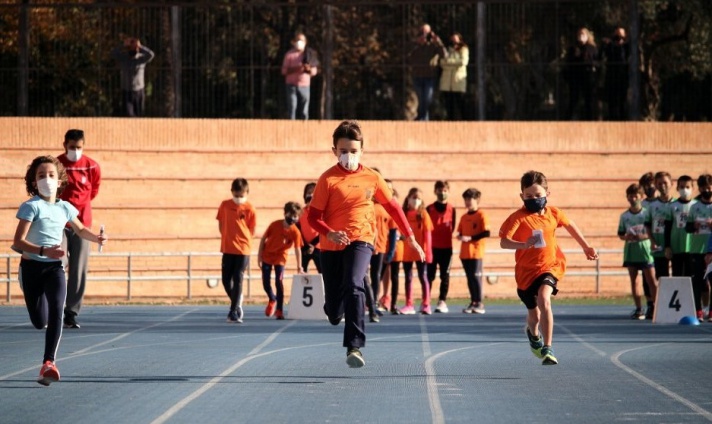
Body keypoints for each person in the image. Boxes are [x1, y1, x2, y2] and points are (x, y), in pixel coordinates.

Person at [307, 120, 425, 368]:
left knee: (354, 284)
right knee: (333, 312)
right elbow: (313, 218)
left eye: (353, 151)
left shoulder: (372, 177)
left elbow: (393, 207)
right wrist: (329, 234)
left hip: (361, 240)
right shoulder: (327, 180)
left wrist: (410, 237)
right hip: (331, 247)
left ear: (362, 151)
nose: (348, 156)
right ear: (334, 151)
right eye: (343, 151)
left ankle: (355, 346)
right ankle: (334, 309)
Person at [14, 155, 107, 385]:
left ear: (60, 180)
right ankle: (41, 324)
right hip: (31, 268)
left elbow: (81, 229)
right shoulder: (31, 206)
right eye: (41, 175)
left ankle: (48, 363)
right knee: (39, 320)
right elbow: (18, 242)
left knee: (57, 308)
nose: (46, 179)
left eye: (51, 175)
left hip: (55, 269)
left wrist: (97, 238)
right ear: (34, 182)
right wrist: (44, 251)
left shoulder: (65, 207)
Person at [499, 171, 598, 365]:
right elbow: (504, 242)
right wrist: (523, 245)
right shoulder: (518, 217)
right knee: (534, 315)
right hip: (526, 272)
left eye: (538, 195)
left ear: (547, 194)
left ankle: (548, 347)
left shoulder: (554, 213)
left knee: (545, 298)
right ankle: (533, 334)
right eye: (529, 196)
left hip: (550, 266)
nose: (534, 199)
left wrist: (586, 246)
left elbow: (571, 226)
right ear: (522, 196)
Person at [57, 129, 101, 329]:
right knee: (57, 263)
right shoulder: (57, 165)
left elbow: (93, 191)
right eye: (72, 147)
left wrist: (79, 212)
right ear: (65, 145)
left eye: (79, 147)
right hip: (59, 224)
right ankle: (54, 307)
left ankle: (71, 312)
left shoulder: (91, 166)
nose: (75, 151)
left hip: (82, 224)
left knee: (79, 269)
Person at [216, 178, 256, 324]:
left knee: (238, 277)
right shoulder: (225, 205)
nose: (239, 198)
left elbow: (251, 229)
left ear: (247, 193)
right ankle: (237, 299)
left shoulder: (250, 208)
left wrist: (243, 240)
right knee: (226, 280)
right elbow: (221, 223)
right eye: (236, 195)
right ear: (232, 192)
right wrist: (227, 237)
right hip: (227, 247)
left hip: (243, 248)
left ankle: (233, 312)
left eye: (242, 195)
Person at [257, 202, 304, 320]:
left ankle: (279, 310)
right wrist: (259, 256)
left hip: (280, 258)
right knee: (266, 282)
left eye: (295, 216)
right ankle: (272, 298)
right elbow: (263, 239)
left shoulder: (295, 232)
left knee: (279, 281)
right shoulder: (274, 225)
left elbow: (298, 249)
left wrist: (299, 266)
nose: (292, 218)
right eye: (290, 215)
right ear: (285, 213)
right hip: (267, 255)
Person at [618, 183, 658, 320]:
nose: (633, 198)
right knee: (634, 281)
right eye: (630, 196)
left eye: (636, 196)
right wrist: (626, 237)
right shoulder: (624, 216)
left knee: (651, 280)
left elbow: (653, 231)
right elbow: (621, 233)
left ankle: (655, 306)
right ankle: (639, 309)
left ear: (641, 197)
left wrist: (644, 236)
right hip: (631, 250)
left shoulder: (647, 213)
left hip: (645, 250)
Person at [399, 187, 434, 315]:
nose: (416, 201)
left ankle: (426, 304)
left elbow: (428, 235)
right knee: (408, 277)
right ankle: (409, 304)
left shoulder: (424, 214)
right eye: (414, 198)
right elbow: (400, 231)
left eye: (419, 199)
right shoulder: (404, 214)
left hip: (421, 252)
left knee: (423, 276)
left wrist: (428, 253)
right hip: (407, 251)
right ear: (408, 199)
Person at [457, 188, 490, 314]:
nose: (467, 202)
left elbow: (486, 232)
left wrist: (470, 238)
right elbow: (460, 232)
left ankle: (479, 302)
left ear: (476, 200)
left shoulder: (481, 215)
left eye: (470, 199)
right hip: (465, 253)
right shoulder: (464, 217)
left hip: (476, 252)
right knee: (469, 278)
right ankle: (473, 301)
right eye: (465, 199)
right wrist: (460, 236)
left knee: (476, 277)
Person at [685, 174, 712, 321]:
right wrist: (693, 225)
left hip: (711, 251)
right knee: (697, 282)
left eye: (709, 187)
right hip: (696, 249)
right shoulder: (694, 207)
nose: (706, 190)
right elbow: (687, 228)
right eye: (703, 188)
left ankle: (711, 312)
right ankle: (698, 311)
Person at [426, 180, 456, 313]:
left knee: (445, 275)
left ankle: (442, 301)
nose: (442, 193)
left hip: (446, 248)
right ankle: (426, 300)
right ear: (435, 191)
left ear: (448, 192)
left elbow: (452, 227)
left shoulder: (452, 209)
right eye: (439, 190)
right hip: (432, 248)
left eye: (444, 191)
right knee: (429, 276)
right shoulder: (429, 209)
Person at [407, 24, 447, 121]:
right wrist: (417, 43)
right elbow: (407, 56)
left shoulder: (434, 45)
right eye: (422, 32)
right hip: (417, 75)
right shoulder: (415, 44)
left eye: (427, 33)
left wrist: (438, 41)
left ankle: (421, 118)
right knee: (421, 99)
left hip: (430, 76)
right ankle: (424, 120)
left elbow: (444, 55)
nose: (424, 35)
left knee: (427, 99)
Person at [111, 37, 155, 117]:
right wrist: (123, 45)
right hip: (126, 90)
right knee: (128, 114)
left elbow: (151, 54)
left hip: (139, 90)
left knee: (139, 114)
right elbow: (114, 53)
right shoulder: (124, 58)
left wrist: (140, 46)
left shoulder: (141, 58)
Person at [563, 27, 599, 120]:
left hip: (588, 78)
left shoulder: (592, 48)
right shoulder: (573, 48)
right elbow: (569, 61)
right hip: (575, 78)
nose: (581, 36)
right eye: (579, 34)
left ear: (587, 36)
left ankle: (590, 121)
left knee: (589, 101)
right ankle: (569, 120)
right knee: (573, 100)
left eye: (583, 34)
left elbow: (593, 61)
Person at [664, 175, 696, 277]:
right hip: (676, 247)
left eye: (687, 187)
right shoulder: (672, 206)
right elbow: (667, 227)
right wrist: (667, 246)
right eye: (682, 187)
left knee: (691, 275)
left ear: (692, 188)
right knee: (677, 275)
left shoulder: (696, 205)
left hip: (693, 248)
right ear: (677, 188)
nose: (684, 190)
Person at [645, 172, 675, 281]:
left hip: (676, 247)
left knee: (679, 277)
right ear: (656, 185)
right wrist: (652, 241)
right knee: (662, 278)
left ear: (671, 183)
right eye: (659, 183)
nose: (662, 185)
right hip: (659, 247)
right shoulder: (652, 206)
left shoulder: (678, 204)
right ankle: (663, 299)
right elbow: (647, 226)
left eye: (665, 182)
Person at [281, 32, 318, 120]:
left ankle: (304, 128)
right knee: (292, 107)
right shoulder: (289, 55)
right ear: (294, 42)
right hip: (291, 85)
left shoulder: (309, 54)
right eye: (298, 40)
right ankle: (292, 127)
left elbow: (314, 71)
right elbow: (284, 71)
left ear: (305, 42)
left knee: (304, 110)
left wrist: (308, 69)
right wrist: (296, 69)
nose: (299, 42)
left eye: (301, 40)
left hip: (305, 85)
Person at [600, 27, 630, 120]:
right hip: (611, 76)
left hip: (622, 76)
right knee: (612, 101)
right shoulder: (610, 46)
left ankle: (623, 121)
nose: (619, 36)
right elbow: (602, 55)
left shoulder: (626, 46)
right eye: (617, 34)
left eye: (621, 34)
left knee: (622, 100)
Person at [439, 33, 469, 120]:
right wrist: (455, 63)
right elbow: (442, 63)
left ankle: (465, 122)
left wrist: (448, 62)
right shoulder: (447, 50)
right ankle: (450, 124)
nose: (454, 43)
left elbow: (463, 62)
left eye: (456, 41)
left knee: (461, 104)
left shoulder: (464, 49)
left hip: (458, 81)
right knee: (449, 106)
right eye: (452, 41)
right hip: (447, 83)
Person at [298, 182, 321, 273]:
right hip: (304, 247)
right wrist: (306, 245)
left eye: (313, 192)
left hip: (319, 247)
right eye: (308, 192)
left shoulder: (321, 212)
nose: (310, 194)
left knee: (323, 273)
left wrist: (313, 244)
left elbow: (324, 230)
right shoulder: (301, 212)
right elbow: (298, 230)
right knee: (302, 273)